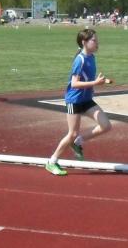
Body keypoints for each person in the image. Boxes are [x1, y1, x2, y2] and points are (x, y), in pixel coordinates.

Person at [45, 28, 112, 176]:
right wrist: (95, 83)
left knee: (106, 125)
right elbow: (74, 84)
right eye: (94, 40)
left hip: (86, 100)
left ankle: (78, 142)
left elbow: (87, 78)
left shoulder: (92, 57)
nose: (97, 43)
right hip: (74, 100)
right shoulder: (79, 60)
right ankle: (52, 161)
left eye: (97, 40)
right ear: (84, 42)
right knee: (72, 133)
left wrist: (101, 81)